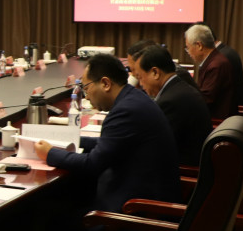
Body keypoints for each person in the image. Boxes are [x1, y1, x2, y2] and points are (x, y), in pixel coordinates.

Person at [35, 53, 180, 215]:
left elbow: (92, 164)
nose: (87, 96)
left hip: (134, 212)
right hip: (141, 197)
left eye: (87, 88)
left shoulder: (125, 111)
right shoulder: (134, 98)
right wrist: (71, 139)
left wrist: (50, 153)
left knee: (51, 214)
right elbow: (110, 144)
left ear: (105, 83)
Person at [131, 46, 211, 167]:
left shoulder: (171, 101)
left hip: (184, 170)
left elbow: (154, 147)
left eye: (140, 77)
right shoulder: (179, 88)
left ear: (155, 73)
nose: (141, 84)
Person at [185, 23, 237, 119]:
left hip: (217, 121)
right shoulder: (213, 60)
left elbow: (206, 100)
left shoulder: (216, 65)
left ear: (199, 45)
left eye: (188, 47)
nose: (188, 52)